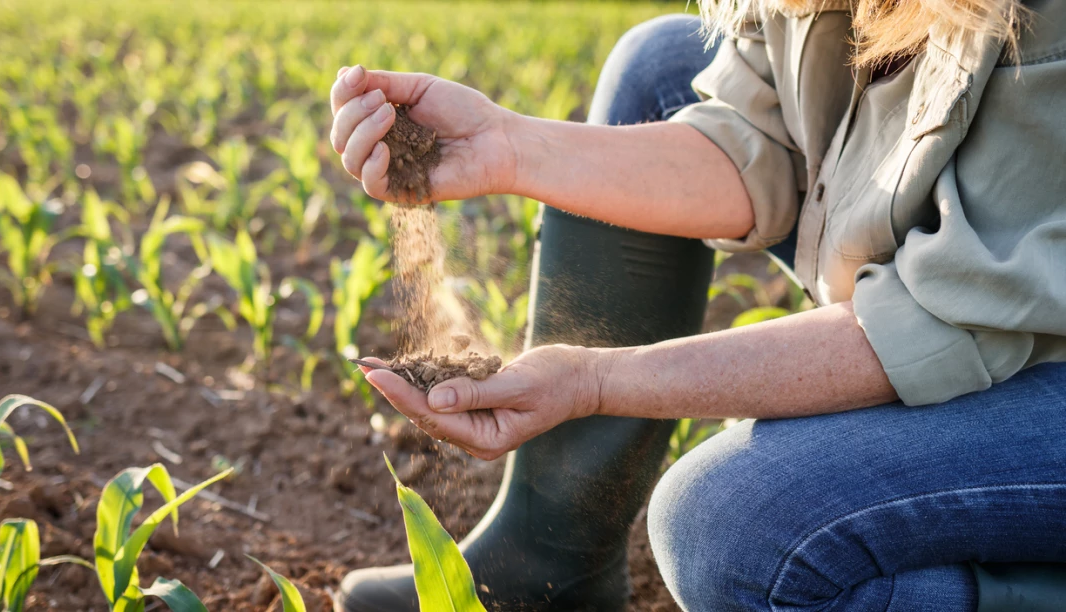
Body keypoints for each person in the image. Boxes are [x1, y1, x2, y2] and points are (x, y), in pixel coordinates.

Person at [328, 0, 1066, 608]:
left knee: (733, 527)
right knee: (663, 67)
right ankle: (545, 563)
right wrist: (512, 146)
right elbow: (757, 147)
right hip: (985, 291)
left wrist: (595, 381)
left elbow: (936, 323)